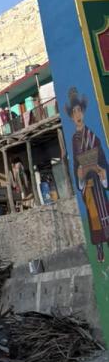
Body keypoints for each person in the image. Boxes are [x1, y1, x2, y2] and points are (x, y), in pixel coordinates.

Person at [66, 87, 109, 262]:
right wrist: (80, 177)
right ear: (71, 117)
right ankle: (99, 249)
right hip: (88, 188)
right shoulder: (74, 141)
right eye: (74, 112)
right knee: (93, 217)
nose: (77, 114)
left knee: (105, 213)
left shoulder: (93, 137)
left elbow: (103, 160)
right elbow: (76, 164)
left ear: (83, 112)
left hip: (98, 183)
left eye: (79, 110)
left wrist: (102, 172)